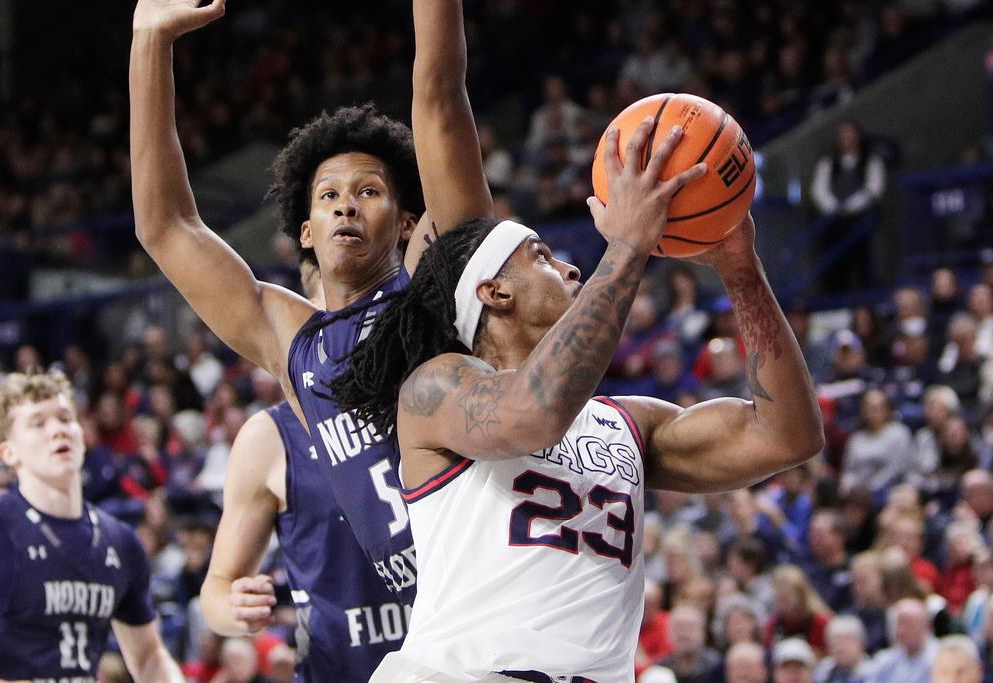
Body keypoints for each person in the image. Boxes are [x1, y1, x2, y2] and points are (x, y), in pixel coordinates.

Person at [329, 118, 824, 677]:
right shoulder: (438, 388)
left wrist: (741, 270)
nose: (569, 266)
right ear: (495, 291)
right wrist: (630, 241)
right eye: (541, 256)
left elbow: (787, 437)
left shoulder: (629, 424)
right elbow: (533, 415)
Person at [130, 0, 491, 613]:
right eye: (329, 196)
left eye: (368, 191)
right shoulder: (294, 340)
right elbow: (165, 226)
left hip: (495, 579)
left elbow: (439, 97)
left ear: (408, 222)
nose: (346, 206)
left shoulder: (436, 285)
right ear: (305, 231)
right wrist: (148, 43)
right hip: (429, 620)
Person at [0, 370, 184, 682]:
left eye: (65, 418)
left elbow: (150, 658)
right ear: (9, 451)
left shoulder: (120, 542)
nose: (58, 430)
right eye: (38, 423)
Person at [200, 399, 408, 680]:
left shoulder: (416, 394)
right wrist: (237, 609)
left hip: (444, 659)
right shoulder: (268, 436)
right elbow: (217, 588)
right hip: (337, 669)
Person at [809, 120, 887, 294]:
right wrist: (834, 207)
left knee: (867, 266)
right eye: (843, 136)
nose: (847, 140)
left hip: (862, 223)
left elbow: (874, 190)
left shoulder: (871, 161)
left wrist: (850, 206)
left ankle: (870, 302)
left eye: (851, 135)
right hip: (834, 224)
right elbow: (818, 190)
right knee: (835, 266)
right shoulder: (828, 163)